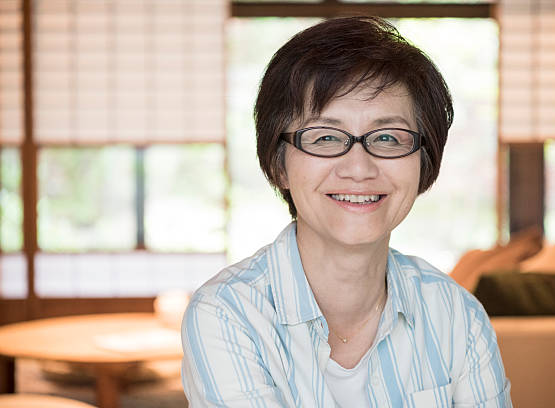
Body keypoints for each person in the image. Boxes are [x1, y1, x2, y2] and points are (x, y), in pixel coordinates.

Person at [182, 16, 512, 407]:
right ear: (279, 164)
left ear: (423, 161)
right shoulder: (227, 314)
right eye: (325, 137)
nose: (359, 167)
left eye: (388, 137)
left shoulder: (458, 316)